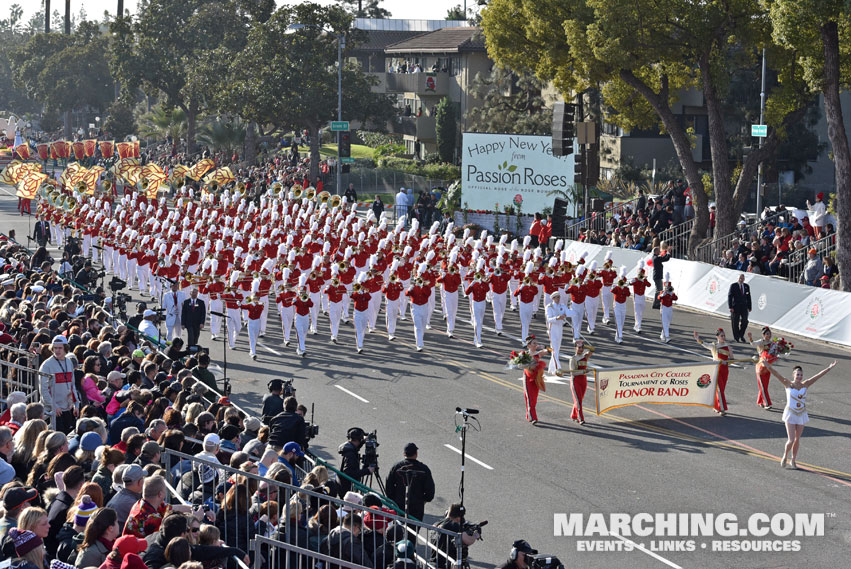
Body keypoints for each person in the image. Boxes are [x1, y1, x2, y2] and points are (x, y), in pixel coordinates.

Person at [764, 360, 836, 469]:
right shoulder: (787, 383)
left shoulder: (806, 384)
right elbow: (776, 374)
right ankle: (785, 455)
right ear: (793, 375)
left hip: (801, 414)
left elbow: (817, 376)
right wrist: (768, 366)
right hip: (790, 414)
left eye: (801, 375)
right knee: (791, 439)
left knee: (797, 439)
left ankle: (793, 460)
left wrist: (829, 368)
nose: (799, 376)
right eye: (797, 374)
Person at [38, 335, 80, 434]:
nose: (57, 350)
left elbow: (72, 385)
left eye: (60, 348)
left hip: (67, 408)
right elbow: (43, 390)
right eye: (55, 348)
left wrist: (76, 403)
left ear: (65, 348)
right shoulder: (46, 365)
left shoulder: (69, 362)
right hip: (53, 411)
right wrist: (53, 406)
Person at [384, 442, 435, 521]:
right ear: (416, 454)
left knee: (398, 529)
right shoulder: (424, 469)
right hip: (417, 506)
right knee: (414, 529)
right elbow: (430, 489)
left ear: (404, 453)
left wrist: (393, 500)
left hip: (399, 505)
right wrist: (424, 500)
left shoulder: (397, 467)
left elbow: (389, 486)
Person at [694, 329, 732, 415]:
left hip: (725, 370)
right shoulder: (714, 346)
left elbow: (732, 359)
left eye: (724, 335)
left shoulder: (728, 346)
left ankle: (716, 406)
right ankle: (721, 409)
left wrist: (729, 361)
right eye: (721, 336)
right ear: (717, 337)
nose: (723, 337)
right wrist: (698, 339)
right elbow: (705, 344)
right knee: (720, 390)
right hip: (717, 369)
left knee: (721, 389)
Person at [430, 503, 479, 569]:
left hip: (433, 563)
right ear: (458, 518)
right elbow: (467, 540)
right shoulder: (452, 525)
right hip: (444, 565)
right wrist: (476, 534)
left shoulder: (437, 523)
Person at [748, 327, 780, 409]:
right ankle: (767, 403)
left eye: (769, 334)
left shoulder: (773, 343)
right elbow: (753, 344)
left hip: (768, 366)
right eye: (767, 334)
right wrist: (750, 338)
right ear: (763, 335)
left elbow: (775, 353)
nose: (769, 335)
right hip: (760, 366)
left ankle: (759, 401)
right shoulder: (761, 342)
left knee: (764, 386)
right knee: (762, 385)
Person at [337, 428, 374, 495]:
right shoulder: (350, 455)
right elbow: (349, 473)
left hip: (341, 484)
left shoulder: (346, 448)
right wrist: (367, 471)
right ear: (358, 439)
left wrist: (363, 441)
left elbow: (355, 447)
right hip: (346, 489)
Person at [567, 340, 594, 425]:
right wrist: (583, 371)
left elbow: (592, 349)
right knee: (578, 401)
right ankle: (580, 418)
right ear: (575, 348)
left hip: (583, 380)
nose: (581, 349)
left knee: (579, 400)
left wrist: (584, 345)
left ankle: (573, 415)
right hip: (576, 380)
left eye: (582, 348)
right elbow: (572, 372)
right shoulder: (573, 359)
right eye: (579, 347)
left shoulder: (585, 356)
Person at [522, 336, 546, 425]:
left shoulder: (538, 354)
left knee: (534, 398)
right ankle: (533, 417)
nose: (536, 345)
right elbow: (520, 366)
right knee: (530, 397)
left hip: (536, 377)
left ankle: (529, 415)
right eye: (534, 343)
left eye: (537, 343)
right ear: (528, 346)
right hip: (528, 378)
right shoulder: (524, 355)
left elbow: (548, 351)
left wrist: (544, 347)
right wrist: (528, 366)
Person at [545, 292, 571, 374]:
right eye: (556, 297)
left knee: (557, 349)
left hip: (560, 328)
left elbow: (568, 313)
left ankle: (551, 369)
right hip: (552, 329)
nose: (558, 299)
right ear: (553, 298)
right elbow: (549, 319)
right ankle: (558, 369)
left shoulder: (562, 306)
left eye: (559, 297)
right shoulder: (549, 307)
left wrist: (567, 314)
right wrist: (557, 318)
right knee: (554, 350)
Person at [727, 273, 751, 342]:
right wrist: (730, 306)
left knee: (745, 321)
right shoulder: (733, 286)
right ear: (738, 278)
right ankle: (736, 337)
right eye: (740, 278)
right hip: (735, 307)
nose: (741, 279)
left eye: (743, 278)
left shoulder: (746, 286)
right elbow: (730, 296)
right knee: (735, 322)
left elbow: (748, 297)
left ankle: (741, 334)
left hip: (744, 306)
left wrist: (749, 306)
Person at [657, 274, 677, 343]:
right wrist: (662, 295)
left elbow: (676, 298)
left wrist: (672, 294)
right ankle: (667, 337)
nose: (668, 289)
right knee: (664, 322)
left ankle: (662, 334)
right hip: (664, 308)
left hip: (670, 308)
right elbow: (659, 298)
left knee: (668, 322)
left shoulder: (671, 293)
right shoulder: (663, 292)